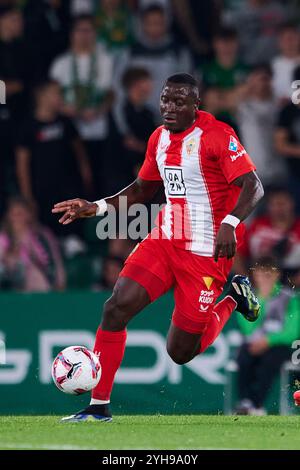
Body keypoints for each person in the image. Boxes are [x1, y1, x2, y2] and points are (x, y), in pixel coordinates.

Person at [52, 73, 264, 422]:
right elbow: (140, 190)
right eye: (165, 99)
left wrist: (230, 223)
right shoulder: (159, 138)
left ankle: (233, 299)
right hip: (165, 240)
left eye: (179, 101)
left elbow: (253, 186)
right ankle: (98, 408)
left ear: (197, 105)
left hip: (206, 254)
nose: (169, 106)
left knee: (181, 352)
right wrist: (97, 207)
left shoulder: (217, 136)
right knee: (116, 308)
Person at [15, 80, 93, 235]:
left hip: (68, 183)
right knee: (48, 219)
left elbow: (79, 151)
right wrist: (27, 195)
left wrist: (86, 173)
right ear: (41, 96)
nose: (60, 97)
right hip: (42, 186)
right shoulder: (27, 127)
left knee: (73, 214)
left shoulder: (65, 122)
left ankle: (73, 239)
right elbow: (22, 163)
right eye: (56, 93)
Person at [50, 15, 114, 196]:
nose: (84, 35)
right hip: (69, 130)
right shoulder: (61, 63)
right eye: (80, 30)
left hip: (97, 130)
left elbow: (111, 94)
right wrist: (69, 110)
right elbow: (52, 97)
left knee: (97, 179)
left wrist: (98, 110)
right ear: (72, 34)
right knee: (71, 178)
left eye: (89, 30)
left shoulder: (105, 61)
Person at [236, 257, 299, 415]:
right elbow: (248, 328)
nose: (264, 278)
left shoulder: (289, 297)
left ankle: (256, 404)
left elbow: (292, 332)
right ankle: (246, 402)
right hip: (256, 344)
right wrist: (262, 300)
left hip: (281, 347)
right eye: (260, 274)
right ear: (254, 275)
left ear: (277, 275)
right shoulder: (248, 298)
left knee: (270, 359)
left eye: (268, 274)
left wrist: (269, 341)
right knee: (244, 356)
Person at [114, 4, 192, 122]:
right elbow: (118, 90)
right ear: (142, 24)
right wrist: (124, 129)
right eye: (150, 23)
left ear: (166, 24)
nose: (155, 27)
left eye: (159, 23)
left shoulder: (179, 53)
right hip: (135, 121)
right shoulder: (130, 53)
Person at [0, 197, 65, 292]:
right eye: (13, 214)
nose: (16, 218)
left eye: (20, 214)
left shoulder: (42, 236)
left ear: (29, 215)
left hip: (40, 288)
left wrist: (60, 283)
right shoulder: (3, 237)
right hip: (12, 290)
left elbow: (54, 261)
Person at [234, 187, 300, 281]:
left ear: (292, 204)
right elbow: (237, 253)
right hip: (257, 277)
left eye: (282, 204)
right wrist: (245, 278)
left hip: (291, 279)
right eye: (274, 204)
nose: (279, 208)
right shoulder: (258, 225)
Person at [236, 64, 285, 186]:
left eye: (266, 79)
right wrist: (249, 85)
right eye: (258, 79)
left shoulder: (280, 104)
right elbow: (217, 101)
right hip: (254, 174)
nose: (262, 83)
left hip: (280, 170)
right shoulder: (241, 105)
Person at [271, 23, 300, 106]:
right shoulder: (273, 65)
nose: (289, 42)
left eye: (292, 38)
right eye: (285, 39)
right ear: (279, 42)